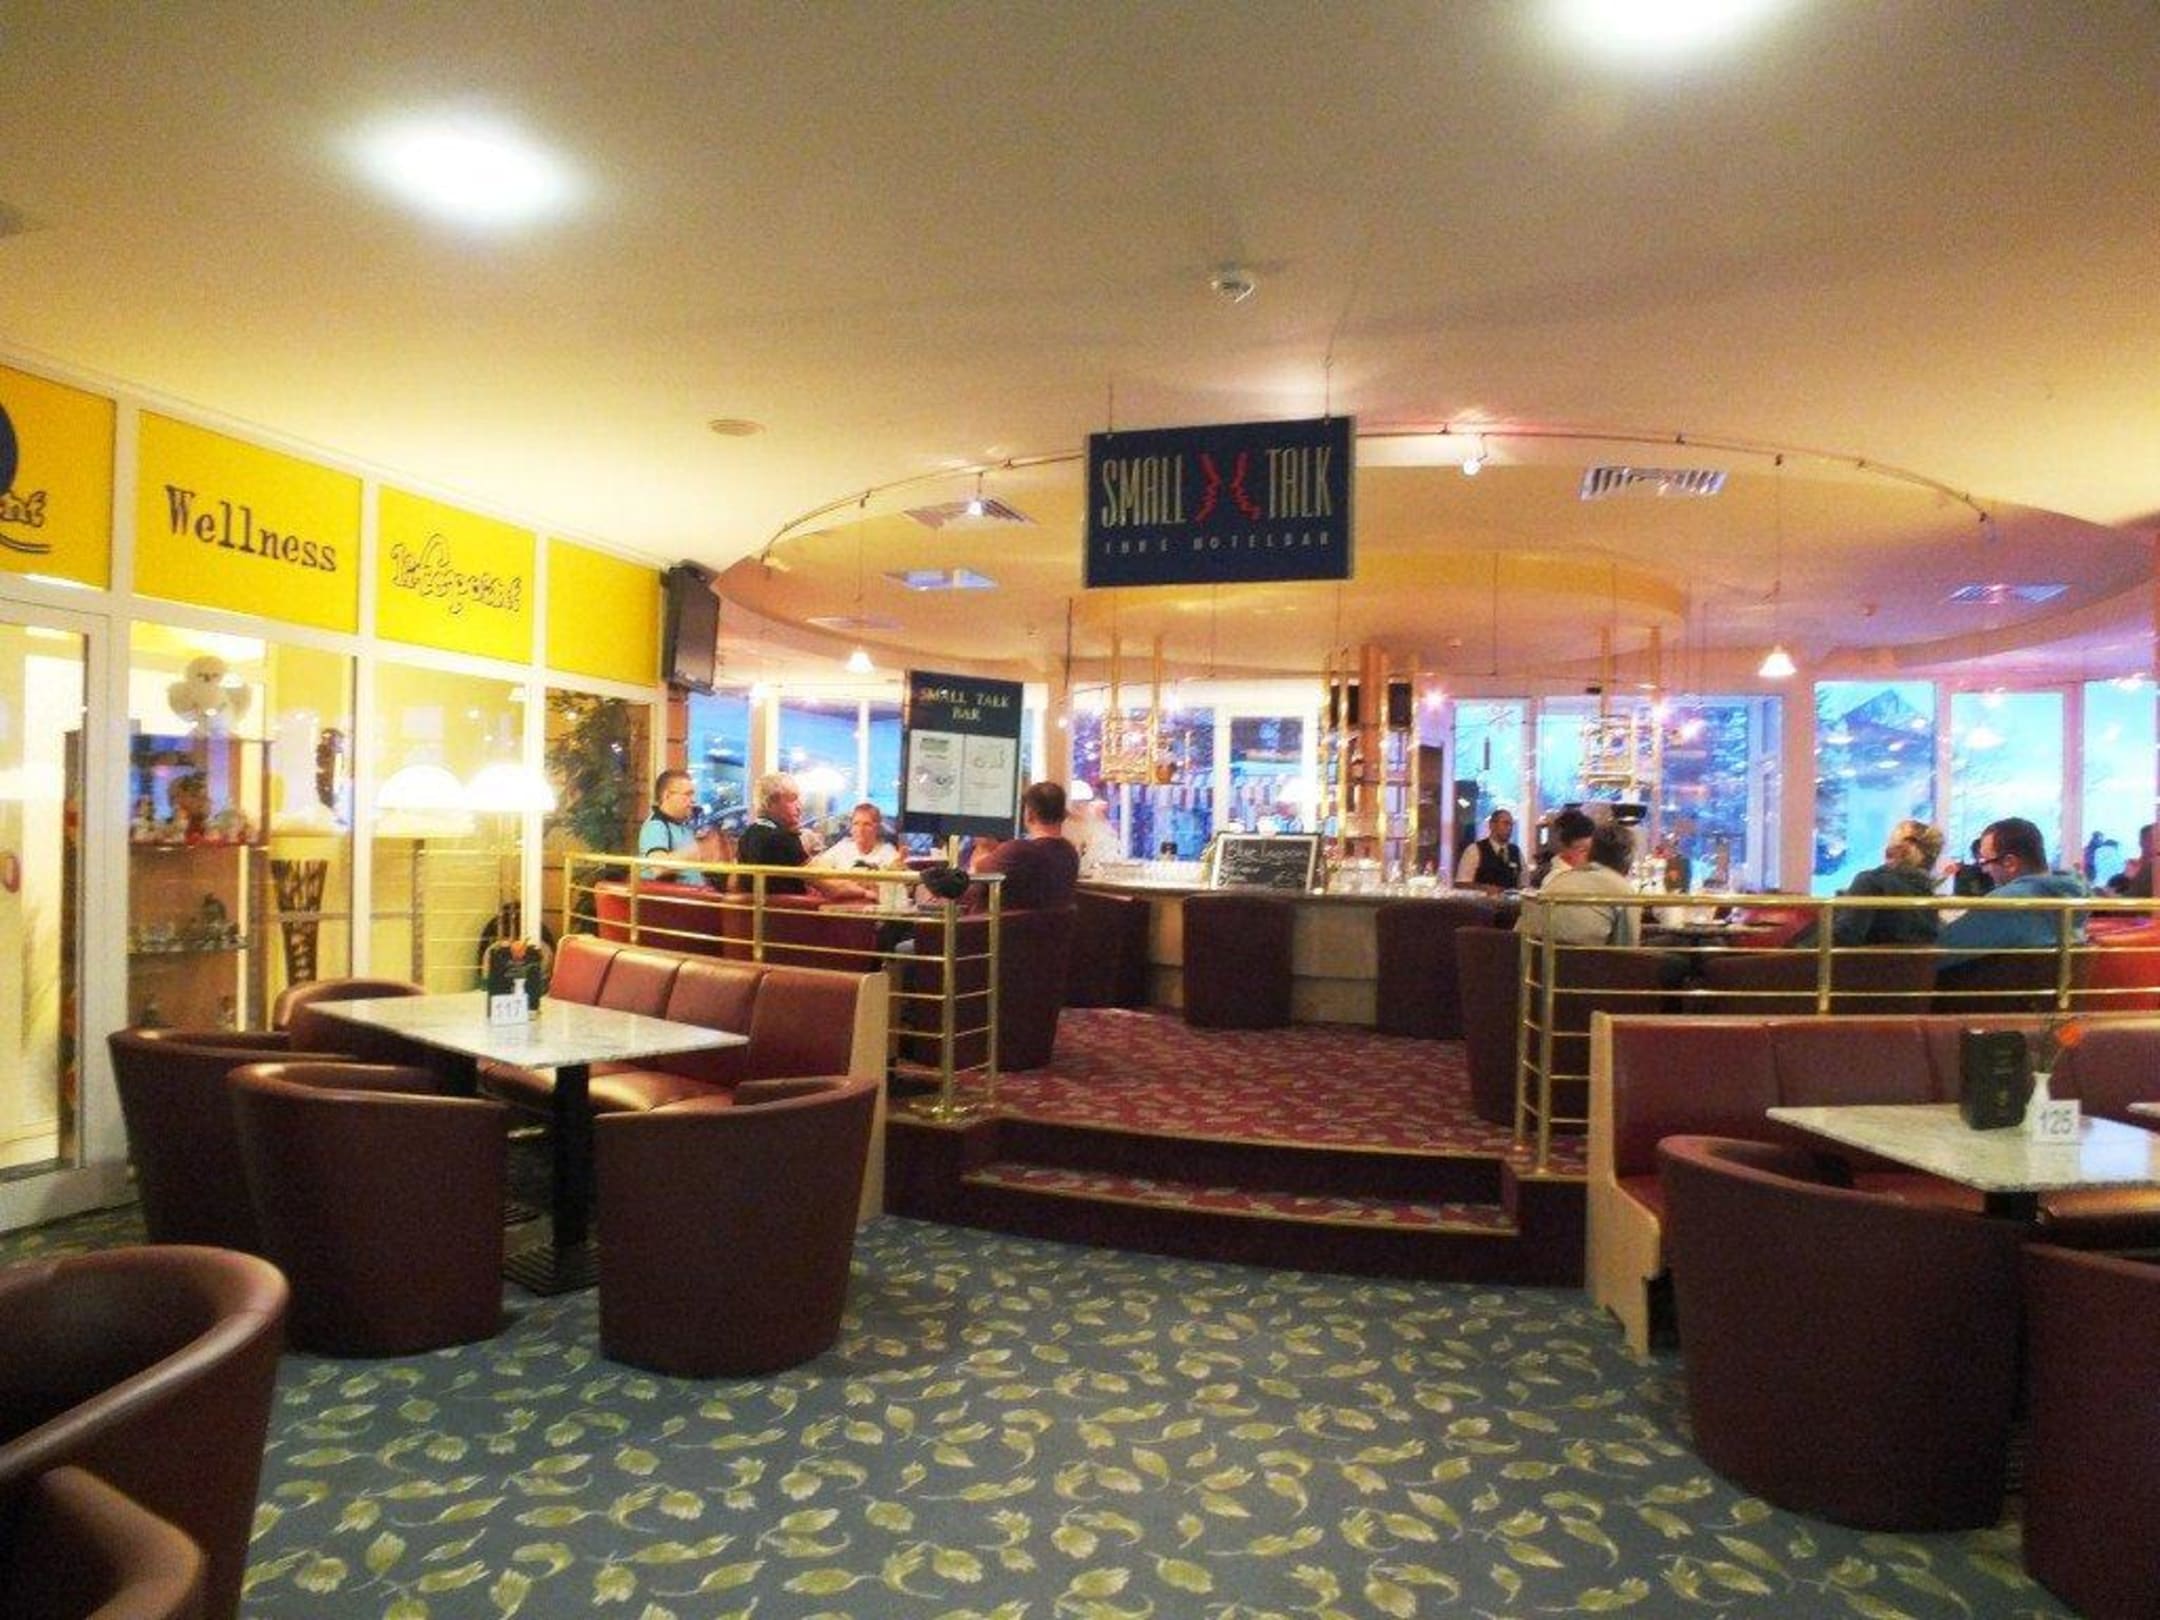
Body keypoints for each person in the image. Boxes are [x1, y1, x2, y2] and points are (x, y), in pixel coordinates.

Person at [1938, 817, 2091, 955]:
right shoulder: (2077, 896)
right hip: (2061, 977)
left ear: (2010, 863)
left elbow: (1938, 953)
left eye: (1985, 861)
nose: (1983, 870)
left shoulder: (2007, 903)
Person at [1518, 811, 1642, 946]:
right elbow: (1627, 948)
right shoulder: (1623, 890)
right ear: (1627, 859)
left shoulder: (1560, 879)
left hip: (1526, 954)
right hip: (1581, 958)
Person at [965, 780, 1080, 912]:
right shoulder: (1070, 852)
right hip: (1050, 925)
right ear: (1063, 815)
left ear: (1029, 814)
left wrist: (984, 847)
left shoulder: (1018, 850)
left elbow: (976, 874)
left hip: (998, 925)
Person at [1829, 818, 1944, 946]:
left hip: (1866, 959)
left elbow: (1843, 938)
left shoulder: (1869, 882)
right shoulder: (1929, 896)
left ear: (1894, 850)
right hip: (1915, 960)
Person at [733, 771, 812, 895]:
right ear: (770, 802)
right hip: (787, 907)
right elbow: (831, 886)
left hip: (755, 907)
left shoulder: (747, 834)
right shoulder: (782, 838)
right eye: (792, 800)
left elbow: (734, 885)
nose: (799, 807)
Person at [811, 801, 906, 902]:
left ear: (877, 828)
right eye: (856, 824)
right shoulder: (841, 848)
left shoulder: (889, 853)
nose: (860, 829)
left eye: (867, 824)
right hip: (843, 906)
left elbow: (895, 892)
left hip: (874, 907)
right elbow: (817, 871)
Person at [636, 769, 714, 882]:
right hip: (673, 892)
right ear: (667, 796)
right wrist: (700, 847)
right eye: (687, 794)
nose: (693, 800)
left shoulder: (684, 826)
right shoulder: (656, 826)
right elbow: (659, 867)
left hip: (697, 890)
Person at [1455, 809, 1524, 891]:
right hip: (1482, 899)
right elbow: (1461, 883)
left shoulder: (1516, 851)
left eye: (1511, 825)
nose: (1509, 828)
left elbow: (1523, 884)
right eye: (1505, 823)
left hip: (1512, 899)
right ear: (1492, 825)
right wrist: (1485, 888)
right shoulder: (1474, 850)